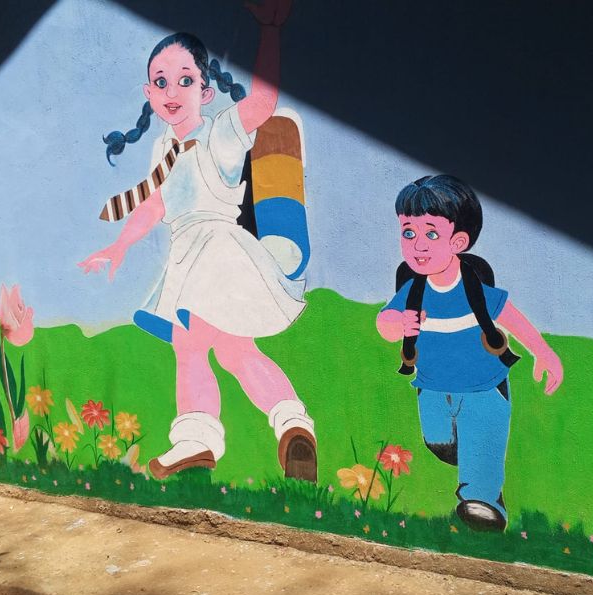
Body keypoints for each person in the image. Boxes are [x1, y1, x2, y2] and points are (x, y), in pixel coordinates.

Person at [79, 0, 318, 482]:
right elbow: (154, 204)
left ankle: (198, 439)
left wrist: (269, 31)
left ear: (206, 91)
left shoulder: (221, 133)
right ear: (149, 93)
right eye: (161, 81)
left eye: (185, 80)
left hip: (217, 250)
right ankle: (293, 425)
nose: (172, 91)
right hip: (191, 254)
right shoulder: (162, 147)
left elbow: (262, 104)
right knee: (236, 352)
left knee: (189, 347)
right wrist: (119, 246)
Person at [376, 175, 564, 531]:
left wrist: (543, 352)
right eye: (408, 233)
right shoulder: (413, 290)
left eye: (431, 234)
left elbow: (511, 317)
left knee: (481, 441)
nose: (418, 244)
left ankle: (483, 501)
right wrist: (397, 323)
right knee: (439, 442)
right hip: (431, 386)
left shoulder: (474, 288)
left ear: (458, 241)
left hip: (484, 386)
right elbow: (384, 321)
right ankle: (473, 463)